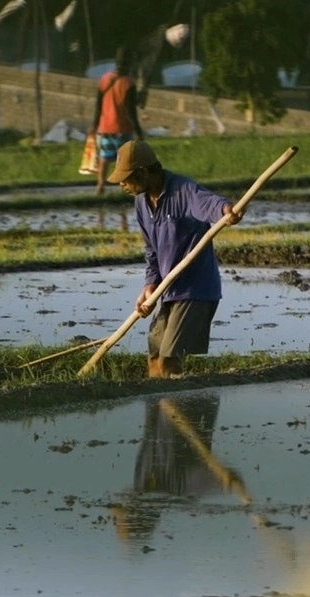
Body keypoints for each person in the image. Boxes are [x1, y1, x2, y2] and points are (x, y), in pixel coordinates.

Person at [106, 139, 243, 378]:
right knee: (155, 356)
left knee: (169, 359)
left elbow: (208, 202)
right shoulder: (141, 204)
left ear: (143, 172)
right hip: (168, 291)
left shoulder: (183, 190)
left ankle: (182, 412)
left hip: (194, 290)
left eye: (125, 178)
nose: (122, 185)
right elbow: (152, 250)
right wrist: (150, 284)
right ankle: (157, 413)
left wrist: (225, 211)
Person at [90, 47, 144, 195]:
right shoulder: (128, 84)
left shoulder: (104, 79)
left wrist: (94, 126)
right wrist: (139, 132)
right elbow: (131, 112)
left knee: (104, 158)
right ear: (130, 63)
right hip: (122, 129)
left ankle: (100, 186)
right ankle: (124, 189)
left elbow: (98, 105)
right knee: (124, 162)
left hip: (104, 128)